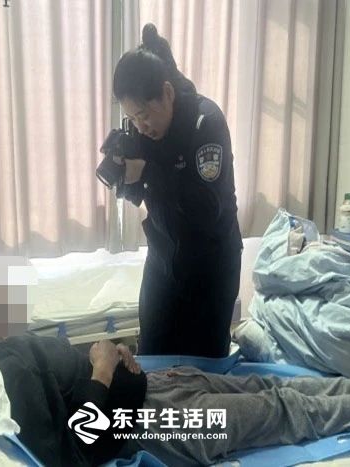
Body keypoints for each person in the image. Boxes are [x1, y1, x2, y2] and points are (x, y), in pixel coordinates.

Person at [0, 331, 350, 467]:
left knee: (261, 384)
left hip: (152, 384)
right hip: (156, 426)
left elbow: (69, 387)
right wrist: (101, 370)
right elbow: (80, 446)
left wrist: (110, 358)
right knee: (276, 409)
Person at [108, 24, 243, 358]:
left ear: (167, 93)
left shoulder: (205, 123)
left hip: (209, 265)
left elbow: (205, 208)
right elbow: (140, 194)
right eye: (132, 118)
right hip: (163, 258)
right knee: (151, 357)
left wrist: (148, 171)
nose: (141, 126)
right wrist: (125, 175)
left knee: (204, 370)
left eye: (143, 115)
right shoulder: (145, 130)